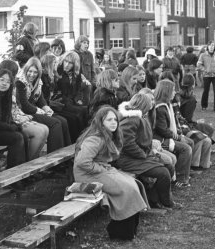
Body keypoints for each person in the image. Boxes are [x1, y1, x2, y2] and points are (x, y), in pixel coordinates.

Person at [74, 106, 148, 240]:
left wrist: (103, 168)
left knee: (133, 184)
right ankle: (118, 231)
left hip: (99, 170)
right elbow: (82, 162)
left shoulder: (109, 135)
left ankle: (128, 229)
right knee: (126, 189)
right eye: (109, 120)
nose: (113, 122)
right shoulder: (95, 139)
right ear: (101, 122)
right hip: (87, 175)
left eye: (115, 119)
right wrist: (101, 169)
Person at [117, 93, 177, 209]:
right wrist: (142, 154)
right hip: (129, 159)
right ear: (144, 105)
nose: (152, 105)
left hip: (138, 156)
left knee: (168, 166)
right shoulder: (131, 119)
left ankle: (154, 200)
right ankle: (166, 203)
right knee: (163, 173)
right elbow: (127, 143)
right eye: (150, 103)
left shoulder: (138, 117)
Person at [15, 57, 71, 153]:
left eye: (35, 72)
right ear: (26, 70)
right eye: (30, 71)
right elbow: (24, 105)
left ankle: (66, 154)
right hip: (25, 113)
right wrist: (40, 111)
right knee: (55, 123)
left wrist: (46, 107)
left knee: (63, 121)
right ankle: (54, 157)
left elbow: (40, 99)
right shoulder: (20, 82)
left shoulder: (37, 82)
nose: (32, 74)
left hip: (34, 110)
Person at [153, 80, 192, 188]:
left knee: (190, 142)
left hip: (165, 136)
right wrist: (178, 137)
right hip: (160, 139)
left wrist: (180, 133)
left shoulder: (167, 104)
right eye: (173, 90)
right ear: (166, 91)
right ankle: (180, 179)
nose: (175, 92)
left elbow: (172, 124)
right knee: (186, 148)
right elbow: (162, 130)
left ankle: (185, 171)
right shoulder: (160, 108)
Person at [54, 51, 90, 142]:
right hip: (60, 102)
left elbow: (77, 90)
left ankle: (85, 138)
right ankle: (76, 140)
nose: (66, 65)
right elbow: (56, 92)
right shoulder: (58, 71)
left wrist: (79, 99)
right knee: (77, 115)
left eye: (70, 63)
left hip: (71, 101)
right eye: (65, 61)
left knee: (86, 110)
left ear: (75, 64)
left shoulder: (76, 74)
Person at [197, 40, 215, 112]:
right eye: (210, 45)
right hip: (206, 76)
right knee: (205, 91)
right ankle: (204, 106)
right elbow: (199, 65)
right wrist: (204, 69)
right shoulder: (203, 55)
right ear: (207, 46)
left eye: (213, 45)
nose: (211, 47)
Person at [73, 35, 96, 105]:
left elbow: (93, 71)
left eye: (87, 43)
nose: (87, 45)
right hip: (77, 84)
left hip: (89, 83)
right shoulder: (73, 53)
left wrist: (92, 82)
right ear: (79, 43)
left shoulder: (90, 55)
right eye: (84, 43)